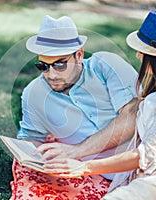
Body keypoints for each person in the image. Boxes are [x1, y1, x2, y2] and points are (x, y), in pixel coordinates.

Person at [43, 9, 156, 199]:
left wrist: (84, 167)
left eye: (143, 51)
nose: (138, 56)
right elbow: (131, 124)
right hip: (153, 170)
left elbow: (148, 153)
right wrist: (76, 152)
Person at [10, 15, 139, 199]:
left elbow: (132, 117)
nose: (51, 75)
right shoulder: (34, 94)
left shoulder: (106, 65)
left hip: (139, 160)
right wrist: (35, 155)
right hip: (94, 173)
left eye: (60, 64)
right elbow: (31, 138)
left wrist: (77, 151)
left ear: (79, 55)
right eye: (43, 66)